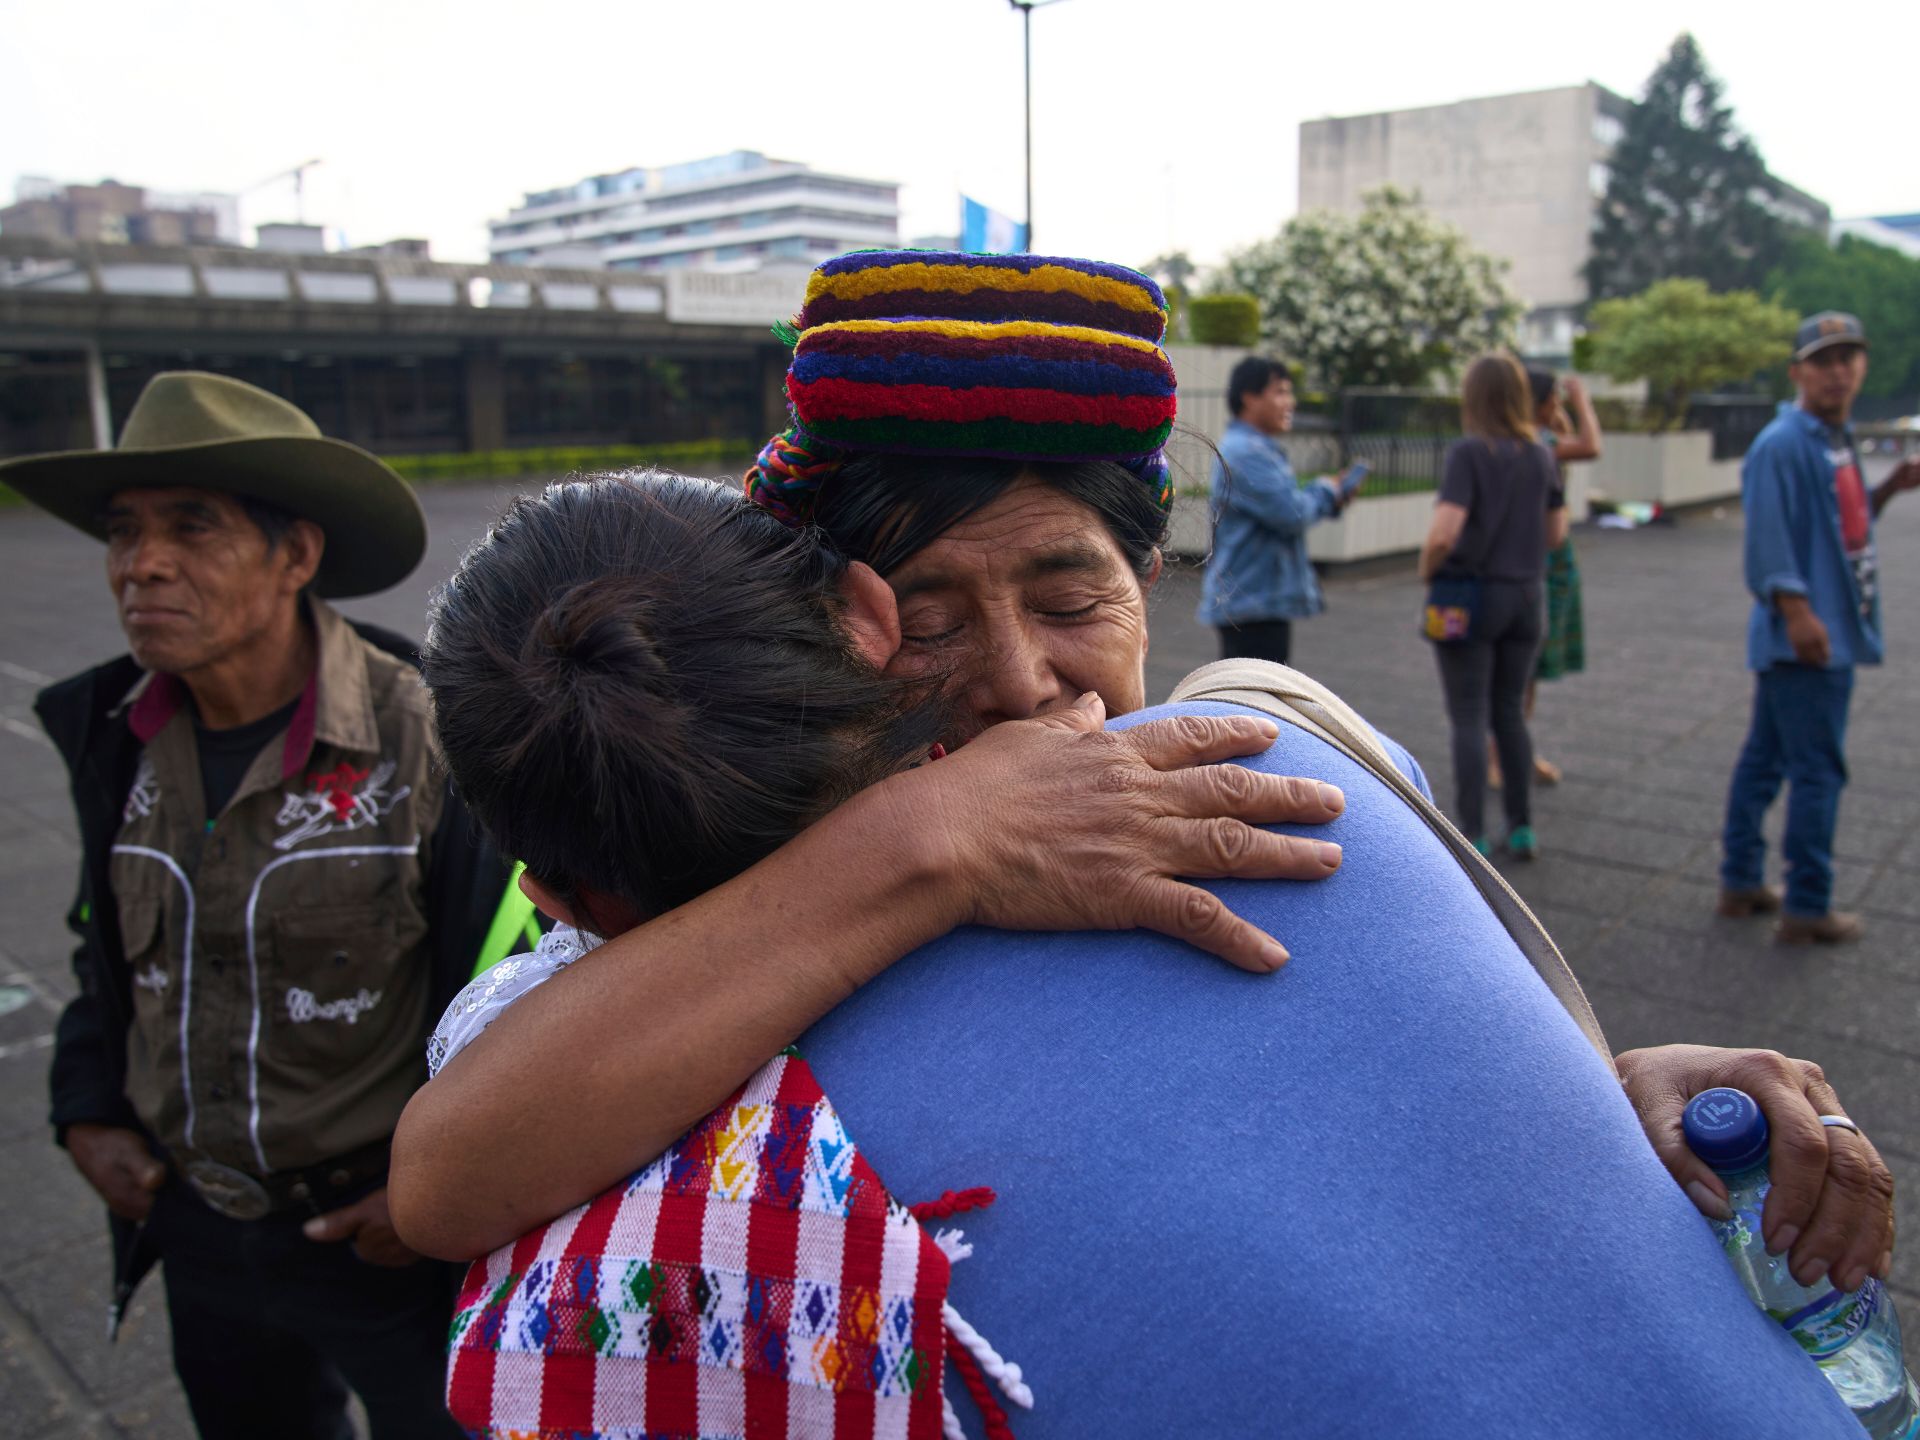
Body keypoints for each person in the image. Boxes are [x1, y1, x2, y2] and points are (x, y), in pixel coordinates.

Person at [391, 251, 1895, 1377]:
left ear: (1149, 584)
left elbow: (1398, 1096)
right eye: (931, 621)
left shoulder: (1295, 753)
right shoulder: (756, 872)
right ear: (844, 624)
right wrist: (932, 845)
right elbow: (448, 1172)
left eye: (1071, 601)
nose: (1019, 680)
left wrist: (1617, 1100)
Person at [2, 372, 523, 1440]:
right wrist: (85, 1105)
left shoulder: (433, 739)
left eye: (193, 526)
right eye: (125, 530)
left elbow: (523, 984)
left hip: (379, 1235)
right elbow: (104, 946)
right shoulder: (112, 736)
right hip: (197, 1228)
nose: (143, 564)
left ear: (297, 556)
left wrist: (443, 1191)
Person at [1718, 313, 1920, 943]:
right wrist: (1798, 613)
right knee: (1818, 771)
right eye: (1824, 360)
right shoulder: (1783, 444)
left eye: (1848, 358)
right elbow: (1768, 543)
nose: (1838, 372)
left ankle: (1740, 881)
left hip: (1820, 628)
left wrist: (1888, 489)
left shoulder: (1834, 437)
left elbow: (1840, 527)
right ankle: (1807, 904)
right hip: (1809, 638)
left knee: (1765, 760)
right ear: (1797, 372)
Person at [1419, 352, 1566, 860]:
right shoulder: (1542, 456)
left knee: (1468, 714)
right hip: (1526, 597)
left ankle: (1473, 835)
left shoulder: (1468, 453)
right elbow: (1556, 533)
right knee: (1510, 712)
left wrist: (1427, 568)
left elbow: (1445, 532)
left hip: (1467, 598)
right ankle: (1521, 828)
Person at [1196, 355, 1361, 666]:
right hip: (1251, 604)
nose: (1291, 402)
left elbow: (1285, 504)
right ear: (1249, 397)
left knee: (1257, 690)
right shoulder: (1247, 452)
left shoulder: (1253, 448)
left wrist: (1327, 495)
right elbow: (1290, 513)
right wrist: (1326, 491)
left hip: (1255, 602)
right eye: (1281, 392)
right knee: (1255, 692)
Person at [1489, 370, 1600, 789]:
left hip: (1534, 559)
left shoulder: (1523, 438)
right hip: (1537, 561)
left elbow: (1569, 435)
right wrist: (1581, 398)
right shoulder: (1537, 443)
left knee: (1525, 670)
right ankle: (1500, 756)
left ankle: (1513, 752)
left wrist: (1560, 407)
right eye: (1553, 397)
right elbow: (1590, 445)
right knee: (1518, 670)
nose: (1559, 403)